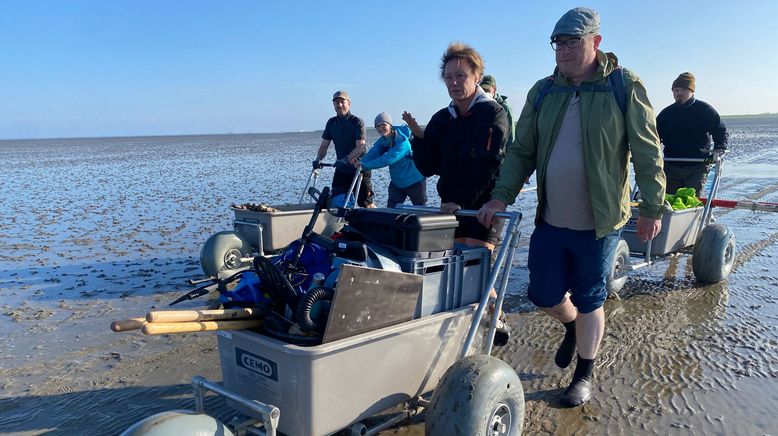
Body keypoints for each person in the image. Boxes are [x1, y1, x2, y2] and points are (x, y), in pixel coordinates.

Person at [477, 7, 667, 407]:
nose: (562, 50)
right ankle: (571, 327)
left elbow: (648, 151)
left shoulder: (622, 85)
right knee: (542, 293)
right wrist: (501, 195)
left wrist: (652, 206)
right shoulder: (544, 90)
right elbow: (521, 150)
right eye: (557, 42)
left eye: (572, 42)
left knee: (590, 299)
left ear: (596, 42)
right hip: (551, 218)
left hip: (599, 224)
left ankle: (584, 374)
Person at [404, 42, 509, 250]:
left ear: (476, 77)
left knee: (479, 273)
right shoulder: (442, 118)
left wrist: (460, 201)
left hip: (484, 208)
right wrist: (418, 139)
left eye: (461, 76)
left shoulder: (493, 114)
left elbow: (488, 164)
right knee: (453, 272)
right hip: (450, 208)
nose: (454, 82)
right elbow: (428, 167)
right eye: (449, 77)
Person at [657, 72, 729, 194]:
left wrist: (719, 149)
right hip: (671, 165)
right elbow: (655, 135)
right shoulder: (666, 114)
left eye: (683, 90)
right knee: (669, 200)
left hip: (698, 166)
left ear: (691, 91)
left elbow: (720, 131)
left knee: (693, 200)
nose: (679, 93)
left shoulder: (705, 110)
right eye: (676, 90)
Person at [314, 90, 374, 207]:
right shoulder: (331, 123)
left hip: (359, 168)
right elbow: (324, 145)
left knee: (366, 203)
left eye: (342, 102)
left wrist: (345, 160)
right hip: (342, 169)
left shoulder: (357, 122)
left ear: (349, 103)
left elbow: (361, 147)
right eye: (337, 102)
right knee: (337, 201)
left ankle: (379, 221)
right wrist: (318, 159)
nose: (340, 105)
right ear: (333, 105)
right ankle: (340, 223)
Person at [359, 112, 427, 208]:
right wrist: (361, 162)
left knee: (421, 210)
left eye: (383, 124)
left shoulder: (402, 141)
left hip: (415, 181)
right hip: (397, 183)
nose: (380, 128)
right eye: (378, 126)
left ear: (390, 125)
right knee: (391, 212)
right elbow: (373, 153)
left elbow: (387, 159)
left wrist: (365, 165)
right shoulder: (383, 140)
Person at [480, 75, 517, 144]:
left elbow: (511, 137)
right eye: (483, 90)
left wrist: (509, 154)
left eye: (487, 90)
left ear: (494, 89)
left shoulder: (505, 109)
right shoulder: (477, 107)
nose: (485, 93)